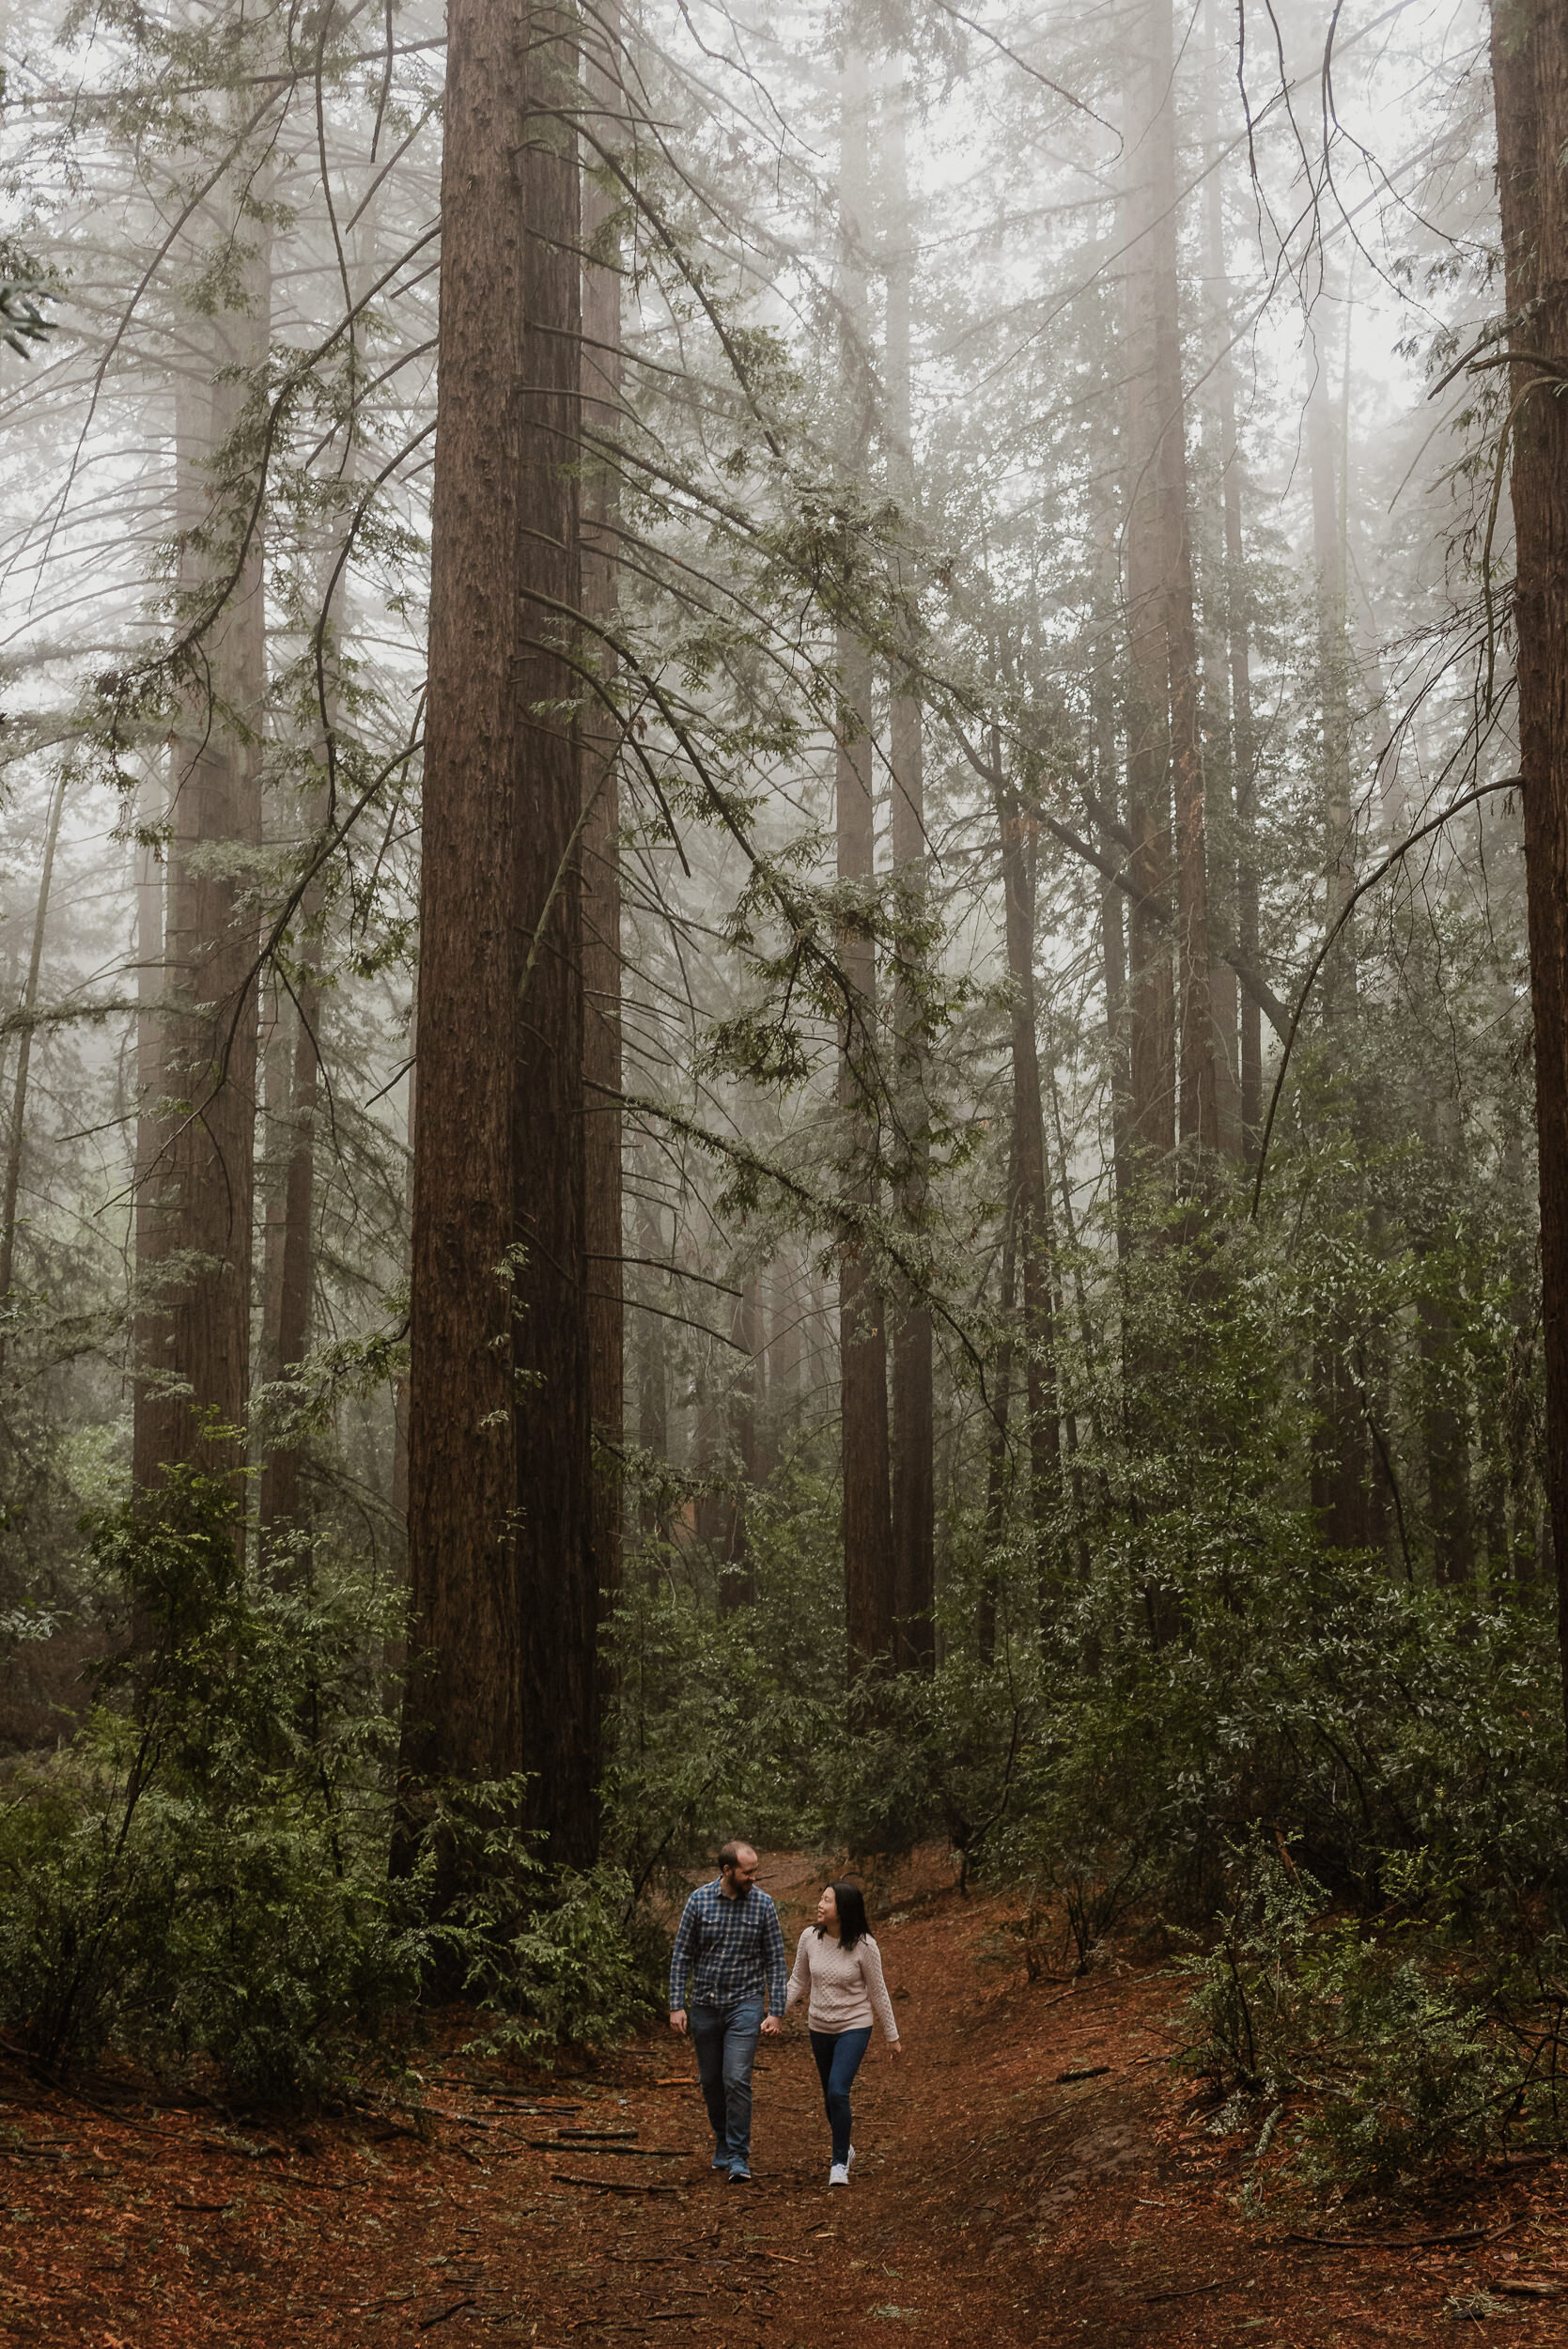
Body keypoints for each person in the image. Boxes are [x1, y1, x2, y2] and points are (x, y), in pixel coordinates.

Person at [669, 1839, 786, 2185]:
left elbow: (775, 1961)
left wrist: (775, 2010)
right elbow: (682, 1956)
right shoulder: (699, 1901)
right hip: (705, 2005)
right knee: (710, 2081)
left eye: (755, 1871)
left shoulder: (763, 1905)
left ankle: (738, 2155)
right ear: (727, 1871)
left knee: (736, 2078)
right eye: (747, 1872)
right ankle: (721, 2139)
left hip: (745, 2005)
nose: (754, 1877)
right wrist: (677, 2004)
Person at [784, 1879, 902, 2188]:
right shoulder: (809, 1938)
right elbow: (798, 1981)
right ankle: (845, 2146)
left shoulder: (865, 1945)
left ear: (844, 1909)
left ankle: (838, 2163)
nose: (820, 1905)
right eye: (821, 1899)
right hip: (819, 2026)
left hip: (854, 2024)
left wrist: (892, 2035)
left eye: (828, 1900)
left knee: (838, 2091)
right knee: (828, 2097)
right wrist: (774, 2013)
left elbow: (878, 1993)